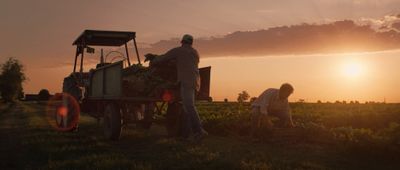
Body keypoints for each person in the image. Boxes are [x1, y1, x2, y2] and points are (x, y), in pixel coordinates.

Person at [153, 34, 208, 141]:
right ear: (191, 43)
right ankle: (185, 134)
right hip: (196, 82)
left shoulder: (178, 51)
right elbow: (186, 63)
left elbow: (164, 58)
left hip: (186, 82)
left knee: (189, 106)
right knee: (186, 109)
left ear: (182, 42)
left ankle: (199, 131)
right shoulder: (195, 52)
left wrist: (154, 61)